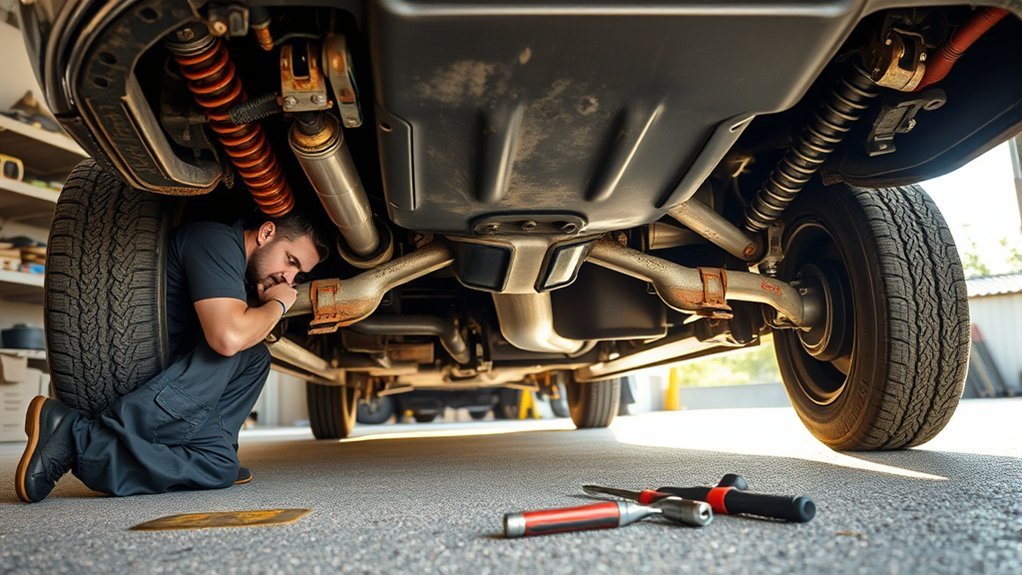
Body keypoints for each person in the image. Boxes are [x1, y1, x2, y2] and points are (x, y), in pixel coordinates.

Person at [15, 211, 327, 502]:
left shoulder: (239, 269)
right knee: (238, 347)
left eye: (298, 274)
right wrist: (278, 304)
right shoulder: (216, 241)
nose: (289, 279)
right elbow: (227, 339)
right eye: (290, 261)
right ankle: (74, 437)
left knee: (220, 466)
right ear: (266, 232)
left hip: (178, 392)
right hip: (148, 378)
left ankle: (83, 439)